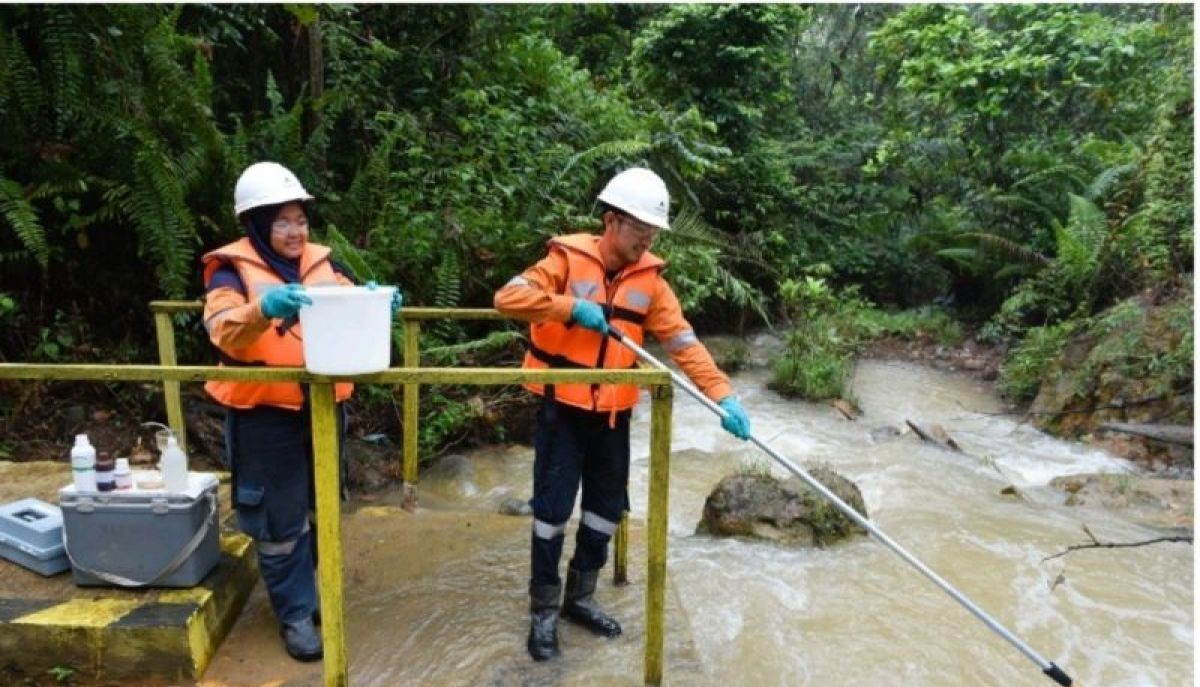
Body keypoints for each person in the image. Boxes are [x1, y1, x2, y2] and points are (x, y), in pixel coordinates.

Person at [493, 167, 752, 661]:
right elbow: (508, 297)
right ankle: (544, 610)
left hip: (614, 415)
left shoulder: (650, 282)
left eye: (653, 233)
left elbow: (683, 344)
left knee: (605, 513)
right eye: (640, 231)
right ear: (611, 221)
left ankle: (580, 598)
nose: (647, 241)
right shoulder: (565, 259)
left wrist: (723, 396)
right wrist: (568, 308)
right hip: (562, 411)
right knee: (550, 516)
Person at [200, 161, 401, 662]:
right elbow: (221, 326)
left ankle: (309, 597)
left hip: (321, 407)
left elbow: (353, 305)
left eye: (301, 221)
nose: (295, 232)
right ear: (257, 223)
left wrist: (378, 303)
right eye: (283, 222)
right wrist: (261, 310)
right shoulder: (230, 270)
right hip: (265, 417)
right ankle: (293, 616)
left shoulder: (324, 263)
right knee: (278, 523)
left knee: (319, 507)